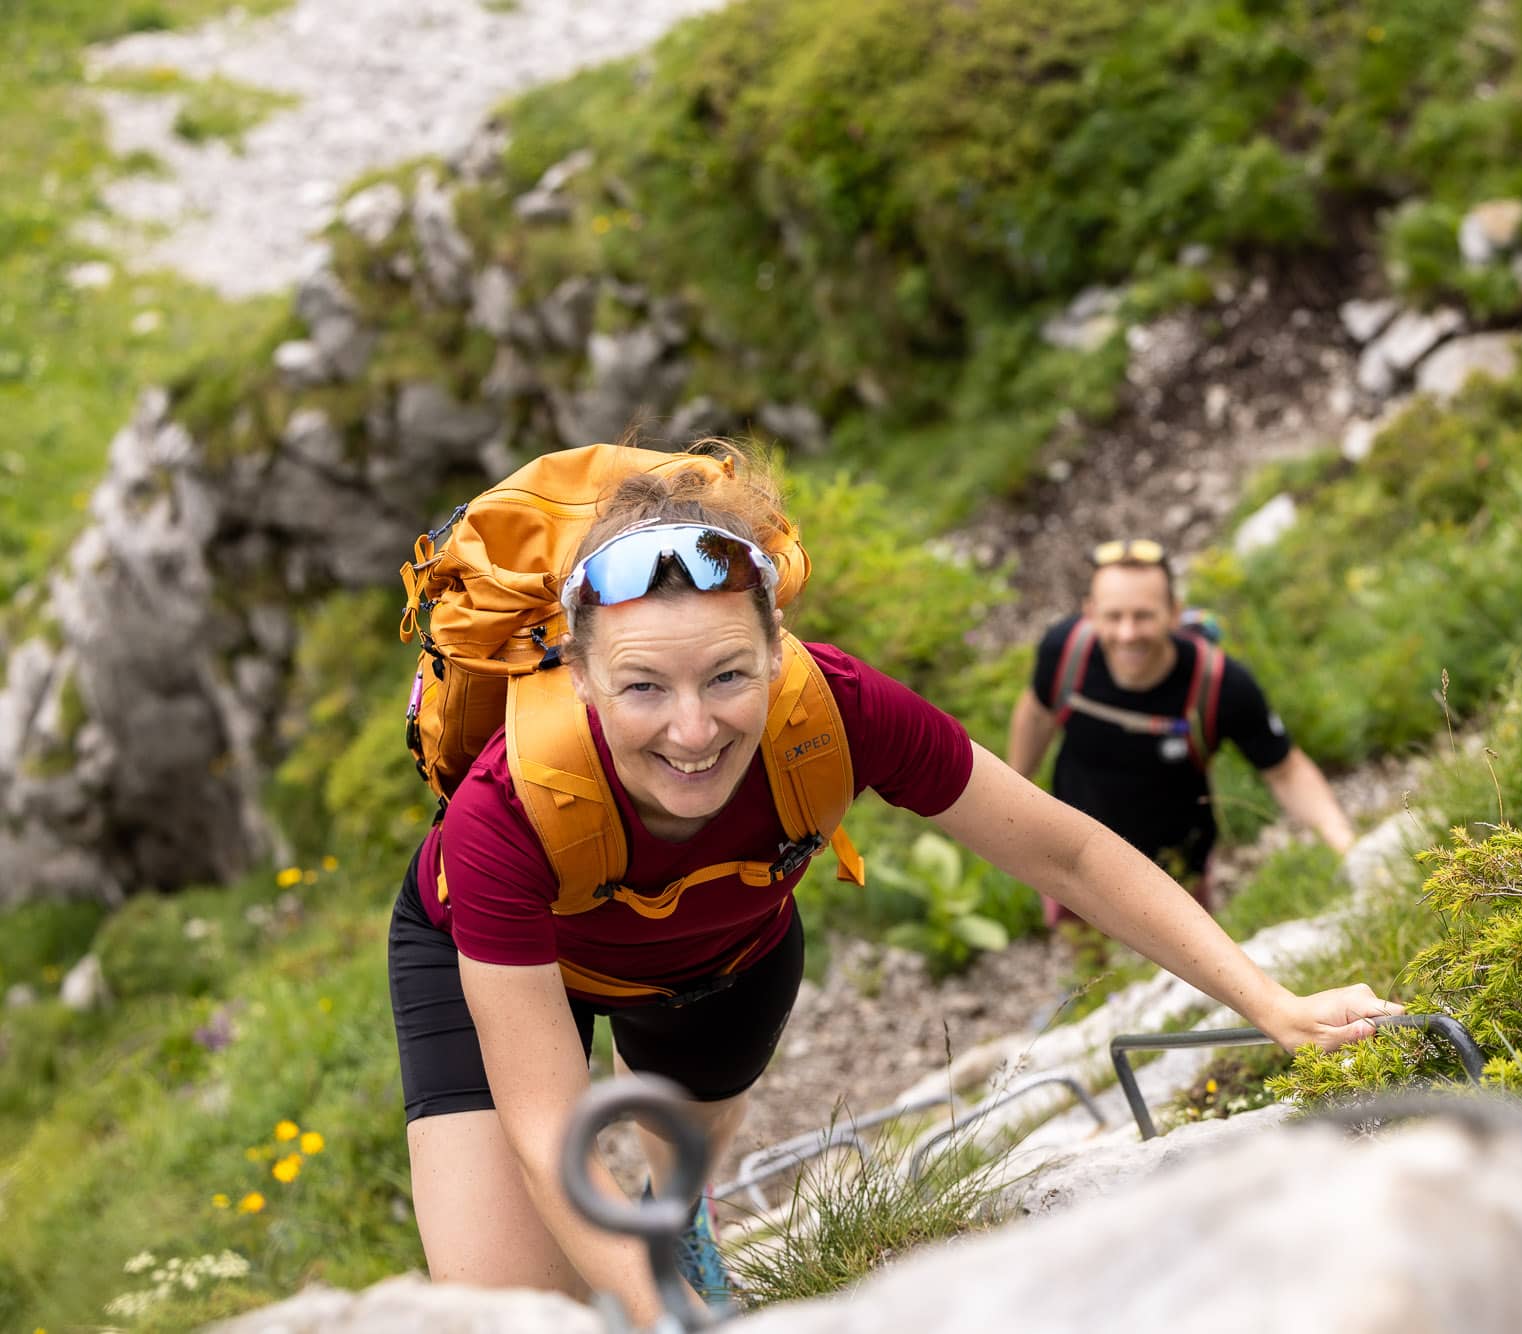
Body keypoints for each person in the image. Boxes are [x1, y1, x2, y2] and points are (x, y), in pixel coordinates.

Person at [386, 447, 1398, 1326]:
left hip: (720, 960)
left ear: (777, 651)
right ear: (580, 672)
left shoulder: (837, 708)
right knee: (509, 1310)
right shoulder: (504, 810)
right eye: (644, 685)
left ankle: (674, 1221)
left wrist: (1271, 1002)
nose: (691, 732)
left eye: (728, 676)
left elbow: (1070, 856)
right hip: (492, 958)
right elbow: (546, 1132)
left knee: (668, 1186)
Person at [1007, 538, 1358, 926]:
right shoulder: (1063, 653)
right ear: (1089, 612)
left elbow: (1285, 770)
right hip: (1072, 854)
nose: (1126, 633)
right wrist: (1011, 789)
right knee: (1084, 951)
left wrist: (1342, 840)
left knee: (1186, 964)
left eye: (1143, 616)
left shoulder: (1220, 685)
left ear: (1174, 613)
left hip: (1178, 869)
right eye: (1113, 616)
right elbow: (1037, 714)